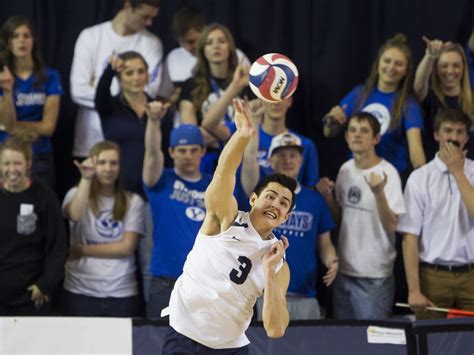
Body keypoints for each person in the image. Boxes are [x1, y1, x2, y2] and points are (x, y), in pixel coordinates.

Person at [161, 99, 295, 353]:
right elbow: (223, 174)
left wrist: (268, 271)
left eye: (283, 202)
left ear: (286, 217)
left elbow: (275, 330)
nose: (276, 204)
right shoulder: (228, 217)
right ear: (254, 199)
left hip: (229, 347)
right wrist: (242, 136)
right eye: (270, 196)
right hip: (185, 334)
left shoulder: (278, 263)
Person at [317, 112, 405, 320]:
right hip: (344, 271)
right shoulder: (345, 170)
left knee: (372, 343)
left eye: (364, 131)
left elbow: (392, 225)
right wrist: (329, 198)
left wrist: (378, 193)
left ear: (376, 138)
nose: (357, 135)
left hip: (375, 274)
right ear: (346, 137)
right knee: (345, 342)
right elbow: (340, 220)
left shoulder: (388, 173)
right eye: (353, 130)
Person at [242, 128, 338, 320]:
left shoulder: (315, 200)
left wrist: (332, 261)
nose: (288, 160)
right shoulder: (262, 199)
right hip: (263, 292)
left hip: (305, 295)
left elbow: (324, 243)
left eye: (293, 155)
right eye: (282, 155)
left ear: (301, 161)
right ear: (270, 161)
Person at [397, 108, 474, 319]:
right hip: (433, 276)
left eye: (460, 132)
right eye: (448, 131)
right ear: (436, 135)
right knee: (432, 344)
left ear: (467, 138)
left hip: (471, 274)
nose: (454, 138)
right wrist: (414, 290)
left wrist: (458, 172)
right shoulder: (420, 178)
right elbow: (410, 238)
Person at [70, 0, 163, 161]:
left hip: (133, 145)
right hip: (90, 142)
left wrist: (99, 86)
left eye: (140, 71)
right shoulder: (91, 37)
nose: (149, 23)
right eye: (145, 16)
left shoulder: (151, 44)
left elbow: (150, 90)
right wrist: (113, 99)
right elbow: (78, 91)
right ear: (127, 6)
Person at [61, 140, 145, 317]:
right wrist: (86, 178)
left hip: (121, 291)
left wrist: (82, 249)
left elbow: (126, 247)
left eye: (113, 163)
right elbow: (75, 215)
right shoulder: (75, 194)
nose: (108, 168)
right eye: (102, 162)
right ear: (92, 163)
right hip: (79, 289)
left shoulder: (133, 201)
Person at [323, 33, 425, 177]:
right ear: (378, 64)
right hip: (355, 176)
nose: (391, 67)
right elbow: (328, 132)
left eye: (399, 63)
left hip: (389, 179)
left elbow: (416, 151)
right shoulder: (358, 94)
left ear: (406, 71)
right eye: (387, 61)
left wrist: (424, 178)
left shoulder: (409, 104)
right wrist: (331, 120)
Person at [143, 116, 211, 318]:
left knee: (203, 347)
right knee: (158, 344)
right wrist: (154, 121)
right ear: (171, 152)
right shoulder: (160, 180)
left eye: (193, 150)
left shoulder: (214, 185)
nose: (188, 156)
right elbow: (153, 152)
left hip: (205, 281)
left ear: (203, 151)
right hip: (165, 280)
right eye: (181, 150)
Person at [0, 130, 67, 315]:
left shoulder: (44, 197)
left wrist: (44, 285)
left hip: (31, 297)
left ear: (28, 164)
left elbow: (57, 247)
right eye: (6, 163)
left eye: (17, 163)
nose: (11, 169)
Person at [0, 16, 63, 187]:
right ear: (8, 42)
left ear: (33, 40)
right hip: (6, 155)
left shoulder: (50, 76)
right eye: (15, 36)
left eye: (26, 35)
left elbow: (48, 127)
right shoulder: (2, 77)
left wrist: (15, 127)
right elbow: (6, 123)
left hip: (40, 155)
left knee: (40, 209)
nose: (21, 40)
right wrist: (6, 91)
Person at [179, 22, 250, 173]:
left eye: (222, 41)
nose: (216, 46)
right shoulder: (190, 85)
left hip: (241, 160)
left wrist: (211, 136)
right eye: (209, 43)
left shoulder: (246, 84)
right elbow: (191, 135)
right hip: (205, 162)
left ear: (230, 48)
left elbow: (253, 127)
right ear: (203, 50)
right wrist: (226, 137)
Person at [95, 51, 160, 197]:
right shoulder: (109, 107)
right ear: (119, 78)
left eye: (141, 71)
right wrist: (110, 70)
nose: (136, 77)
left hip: (155, 190)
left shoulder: (159, 110)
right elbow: (101, 92)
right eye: (129, 73)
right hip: (119, 190)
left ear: (148, 76)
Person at [226, 97, 319, 187]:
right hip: (250, 199)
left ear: (290, 101)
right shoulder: (241, 133)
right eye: (270, 96)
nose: (276, 102)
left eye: (282, 96)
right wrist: (236, 85)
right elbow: (211, 127)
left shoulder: (306, 145)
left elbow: (308, 193)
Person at [414, 37, 473, 160]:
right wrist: (430, 56)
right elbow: (418, 87)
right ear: (436, 69)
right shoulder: (430, 98)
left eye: (456, 65)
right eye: (444, 66)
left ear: (463, 68)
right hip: (436, 172)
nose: (450, 71)